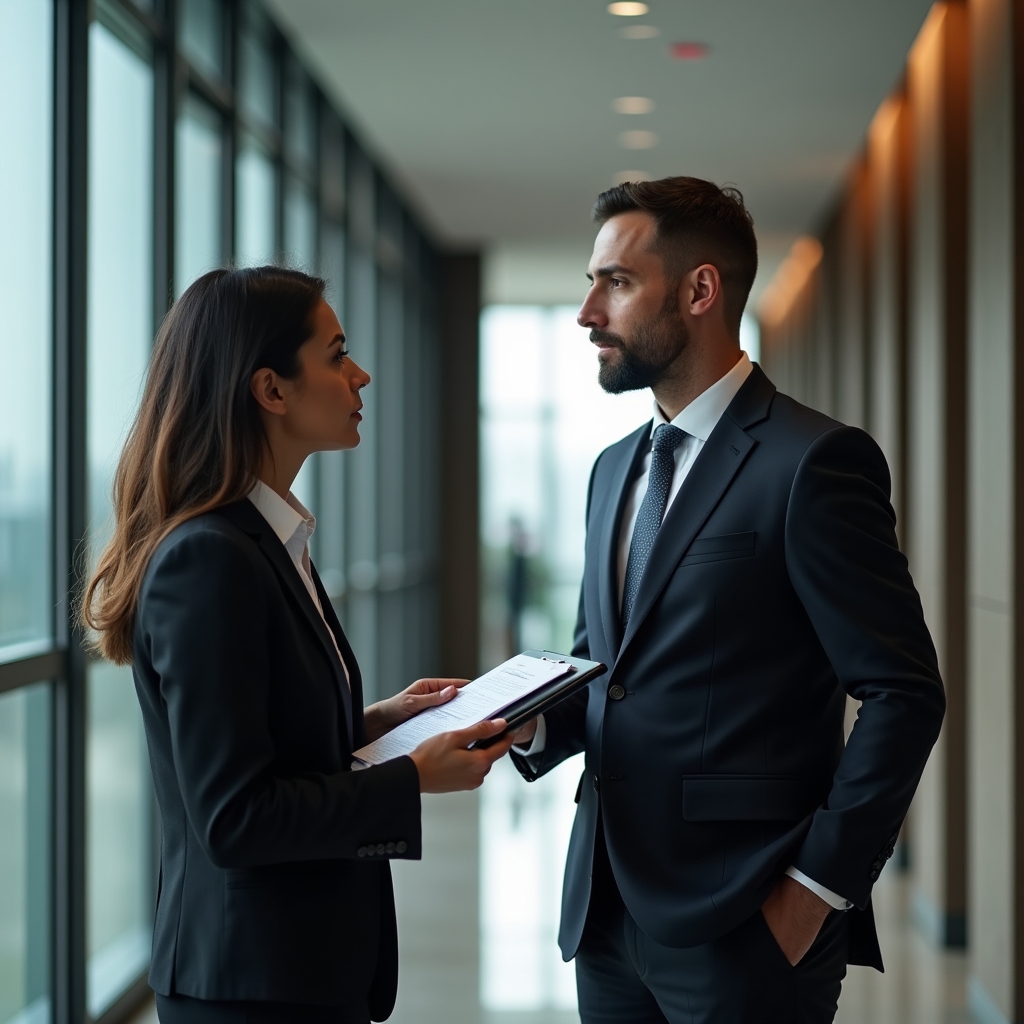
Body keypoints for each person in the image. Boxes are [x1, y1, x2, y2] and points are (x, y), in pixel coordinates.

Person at [508, 178, 945, 1024]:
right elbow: (604, 667)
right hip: (605, 914)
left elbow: (903, 692)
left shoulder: (814, 462)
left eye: (616, 283)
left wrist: (814, 891)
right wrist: (518, 721)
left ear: (700, 290)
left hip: (747, 918)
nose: (588, 313)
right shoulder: (612, 470)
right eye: (591, 283)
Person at [82, 267, 515, 1024]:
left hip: (290, 967)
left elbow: (262, 741)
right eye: (337, 354)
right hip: (251, 985)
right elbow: (235, 817)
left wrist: (375, 722)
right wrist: (411, 778)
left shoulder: (268, 541)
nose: (361, 375)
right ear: (271, 390)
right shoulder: (210, 557)